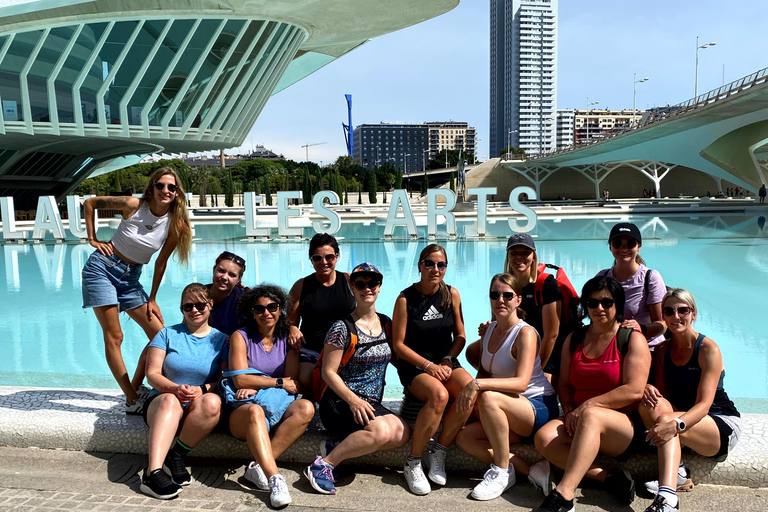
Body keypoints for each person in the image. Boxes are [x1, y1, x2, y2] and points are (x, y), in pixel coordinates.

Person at [531, 275, 651, 512]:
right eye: (592, 302)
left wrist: (587, 406)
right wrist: (568, 410)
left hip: (620, 427)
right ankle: (610, 478)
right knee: (543, 439)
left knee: (592, 415)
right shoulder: (574, 338)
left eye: (607, 302)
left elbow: (635, 390)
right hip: (579, 417)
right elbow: (564, 383)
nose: (599, 308)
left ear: (617, 304)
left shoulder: (631, 339)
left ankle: (564, 494)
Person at [81, 166, 192, 413]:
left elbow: (161, 263)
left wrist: (152, 298)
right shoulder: (133, 205)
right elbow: (90, 203)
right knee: (115, 336)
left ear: (177, 193)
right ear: (152, 187)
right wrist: (92, 238)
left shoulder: (175, 223)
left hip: (131, 279)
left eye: (171, 187)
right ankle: (131, 398)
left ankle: (136, 386)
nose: (165, 190)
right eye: (160, 185)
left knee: (161, 337)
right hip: (101, 269)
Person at [304, 263, 410, 495]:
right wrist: (353, 400)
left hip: (370, 402)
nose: (367, 288)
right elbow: (328, 373)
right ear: (352, 288)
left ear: (379, 287)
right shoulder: (342, 327)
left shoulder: (386, 324)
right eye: (360, 284)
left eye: (372, 283)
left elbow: (396, 358)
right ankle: (324, 465)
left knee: (402, 434)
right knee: (382, 432)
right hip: (340, 402)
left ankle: (336, 445)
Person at [455, 274, 558, 501]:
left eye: (507, 295)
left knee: (489, 397)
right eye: (495, 295)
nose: (500, 300)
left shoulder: (525, 334)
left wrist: (477, 385)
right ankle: (530, 470)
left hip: (536, 407)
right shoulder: (490, 330)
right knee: (465, 438)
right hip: (509, 409)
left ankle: (501, 471)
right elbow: (484, 371)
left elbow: (522, 382)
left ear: (518, 300)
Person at [639, 289, 741, 512]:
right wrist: (648, 387)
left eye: (682, 310)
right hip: (684, 420)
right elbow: (663, 398)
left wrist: (675, 425)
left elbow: (704, 405)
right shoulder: (662, 350)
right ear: (663, 317)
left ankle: (668, 500)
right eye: (669, 311)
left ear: (693, 314)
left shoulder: (708, 349)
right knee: (650, 402)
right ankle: (680, 473)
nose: (676, 317)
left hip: (719, 422)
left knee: (667, 419)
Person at [392, 244, 474, 494]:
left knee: (470, 390)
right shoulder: (405, 299)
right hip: (415, 366)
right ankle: (413, 461)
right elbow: (398, 345)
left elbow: (460, 336)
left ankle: (439, 451)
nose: (435, 269)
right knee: (440, 395)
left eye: (441, 265)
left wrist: (449, 359)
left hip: (445, 362)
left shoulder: (452, 294)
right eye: (429, 263)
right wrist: (427, 366)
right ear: (420, 266)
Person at [225, 284, 315, 508]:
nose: (266, 313)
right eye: (259, 309)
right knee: (255, 411)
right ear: (252, 312)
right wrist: (275, 382)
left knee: (306, 408)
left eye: (272, 307)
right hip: (243, 412)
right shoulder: (240, 337)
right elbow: (240, 380)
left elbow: (292, 382)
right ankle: (276, 478)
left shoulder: (288, 339)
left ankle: (257, 467)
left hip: (274, 404)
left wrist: (259, 384)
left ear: (281, 309)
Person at [140, 283, 228, 500]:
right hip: (162, 405)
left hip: (195, 408)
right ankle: (152, 473)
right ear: (181, 309)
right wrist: (174, 388)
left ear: (210, 304)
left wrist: (203, 389)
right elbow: (151, 373)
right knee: (170, 400)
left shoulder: (222, 340)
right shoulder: (166, 335)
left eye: (199, 305)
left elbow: (223, 379)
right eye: (187, 307)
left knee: (213, 402)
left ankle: (176, 455)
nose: (194, 310)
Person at [475, 234, 563, 377]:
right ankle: (501, 374)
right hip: (516, 345)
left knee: (541, 385)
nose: (519, 257)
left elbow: (552, 335)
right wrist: (489, 328)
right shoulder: (503, 284)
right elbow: (499, 321)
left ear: (533, 256)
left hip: (545, 350)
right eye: (514, 253)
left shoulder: (546, 283)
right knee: (474, 350)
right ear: (508, 256)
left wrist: (536, 370)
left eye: (525, 253)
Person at [288, 233, 356, 397]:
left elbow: (364, 311)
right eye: (317, 258)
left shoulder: (349, 281)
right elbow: (289, 321)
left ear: (337, 257)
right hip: (313, 348)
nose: (323, 262)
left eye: (329, 257)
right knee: (306, 379)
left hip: (345, 349)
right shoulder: (302, 286)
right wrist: (292, 328)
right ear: (311, 259)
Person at [598, 222, 667, 350]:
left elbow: (662, 324)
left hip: (647, 347)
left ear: (639, 246)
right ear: (610, 247)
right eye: (618, 243)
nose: (624, 248)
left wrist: (642, 328)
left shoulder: (651, 278)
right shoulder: (602, 277)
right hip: (611, 346)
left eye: (630, 243)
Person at [207, 251, 247, 336]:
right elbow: (186, 325)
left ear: (238, 279)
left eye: (232, 275)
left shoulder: (244, 301)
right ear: (214, 269)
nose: (225, 277)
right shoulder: (198, 294)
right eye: (221, 271)